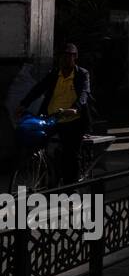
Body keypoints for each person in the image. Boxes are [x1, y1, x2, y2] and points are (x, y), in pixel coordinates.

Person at [16, 43, 91, 186]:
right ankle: (45, 177)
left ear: (75, 57)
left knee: (71, 155)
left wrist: (75, 109)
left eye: (70, 56)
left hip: (72, 119)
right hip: (52, 118)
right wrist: (23, 104)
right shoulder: (54, 74)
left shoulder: (82, 74)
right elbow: (38, 89)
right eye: (64, 56)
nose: (66, 59)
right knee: (38, 143)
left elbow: (84, 94)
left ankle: (71, 190)